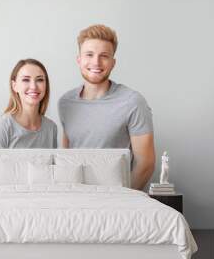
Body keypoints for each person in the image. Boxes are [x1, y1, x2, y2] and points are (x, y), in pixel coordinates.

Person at [58, 24, 155, 190]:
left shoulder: (133, 102)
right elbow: (67, 156)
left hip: (117, 201)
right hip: (76, 198)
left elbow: (146, 163)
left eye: (104, 56)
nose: (96, 62)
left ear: (113, 62)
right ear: (79, 60)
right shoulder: (65, 103)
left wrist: (120, 198)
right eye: (89, 54)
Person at [0, 59, 57, 148]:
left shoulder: (51, 128)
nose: (33, 86)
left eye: (40, 80)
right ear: (14, 86)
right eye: (26, 80)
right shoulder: (3, 126)